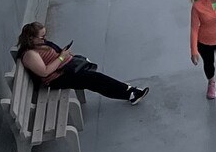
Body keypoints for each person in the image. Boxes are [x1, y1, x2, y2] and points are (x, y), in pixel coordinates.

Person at [16, 22, 147, 105]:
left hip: (65, 69)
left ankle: (127, 90)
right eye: (42, 37)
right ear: (31, 38)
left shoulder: (39, 45)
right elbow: (44, 72)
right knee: (95, 79)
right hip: (57, 78)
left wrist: (65, 55)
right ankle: (129, 93)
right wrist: (62, 58)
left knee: (95, 79)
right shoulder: (30, 55)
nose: (45, 39)